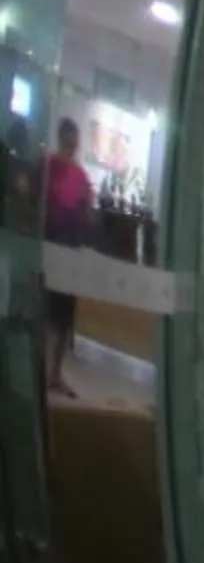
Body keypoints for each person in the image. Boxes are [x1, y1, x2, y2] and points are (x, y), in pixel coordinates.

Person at [42, 118, 95, 397]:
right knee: (45, 315)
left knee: (62, 319)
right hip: (49, 250)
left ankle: (54, 374)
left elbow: (88, 212)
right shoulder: (48, 166)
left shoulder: (79, 175)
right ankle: (44, 372)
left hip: (69, 253)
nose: (72, 148)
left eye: (74, 144)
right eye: (69, 143)